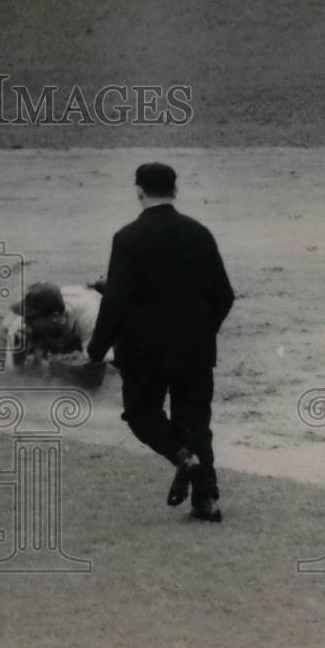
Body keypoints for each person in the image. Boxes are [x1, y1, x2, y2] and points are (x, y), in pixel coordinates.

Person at [86, 163, 234, 522]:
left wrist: (96, 349)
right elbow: (224, 295)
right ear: (175, 190)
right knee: (196, 422)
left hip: (143, 351)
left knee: (140, 414)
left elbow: (115, 301)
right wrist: (202, 331)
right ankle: (205, 500)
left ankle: (183, 458)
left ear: (139, 191)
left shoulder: (128, 238)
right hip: (195, 350)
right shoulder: (199, 234)